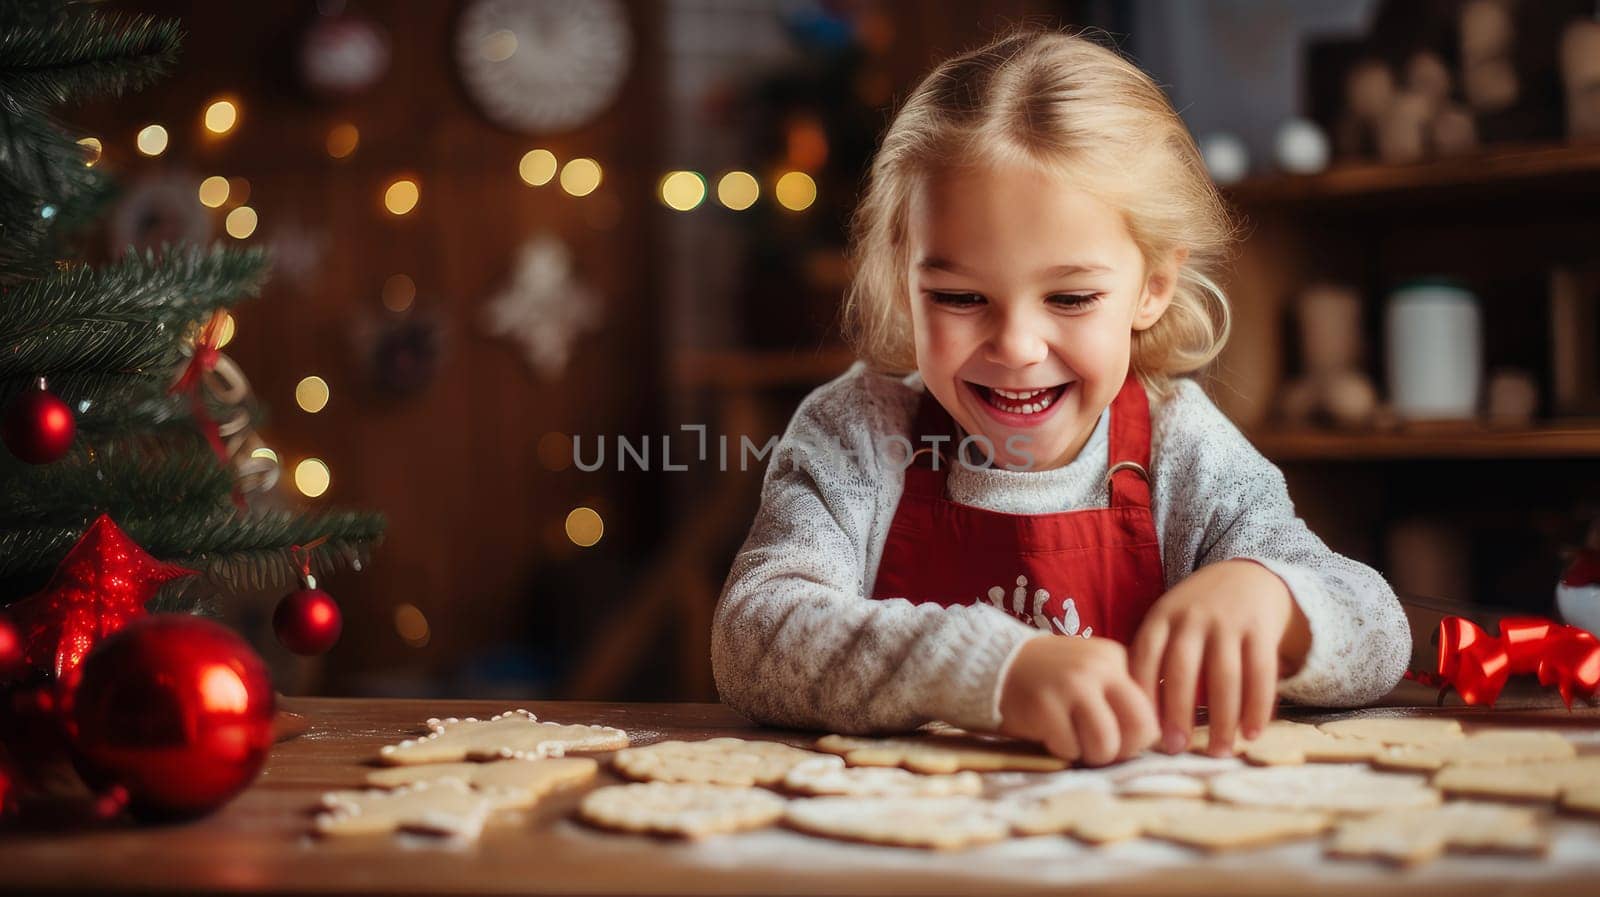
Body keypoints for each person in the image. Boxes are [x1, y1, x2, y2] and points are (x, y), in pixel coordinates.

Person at [711, 27, 1410, 766]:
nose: (1016, 346)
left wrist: (1276, 600)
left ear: (1153, 287)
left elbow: (1380, 630)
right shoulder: (855, 435)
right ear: (900, 273)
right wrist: (989, 670)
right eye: (958, 296)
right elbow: (754, 634)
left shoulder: (1183, 447)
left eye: (1071, 297)